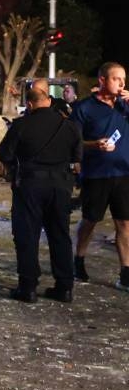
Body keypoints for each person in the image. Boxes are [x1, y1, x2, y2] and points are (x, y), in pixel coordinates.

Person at [0, 88, 82, 303]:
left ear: (30, 104)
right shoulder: (68, 125)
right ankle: (64, 287)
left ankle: (28, 288)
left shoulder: (21, 125)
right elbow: (77, 156)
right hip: (60, 186)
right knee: (60, 235)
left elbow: (4, 154)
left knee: (27, 235)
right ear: (50, 101)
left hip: (30, 185)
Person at [69, 62, 129, 288]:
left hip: (124, 173)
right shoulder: (84, 108)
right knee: (90, 220)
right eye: (117, 79)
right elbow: (73, 143)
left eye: (124, 79)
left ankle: (126, 271)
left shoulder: (125, 106)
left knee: (124, 223)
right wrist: (94, 144)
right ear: (102, 80)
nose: (122, 84)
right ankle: (79, 260)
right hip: (97, 174)